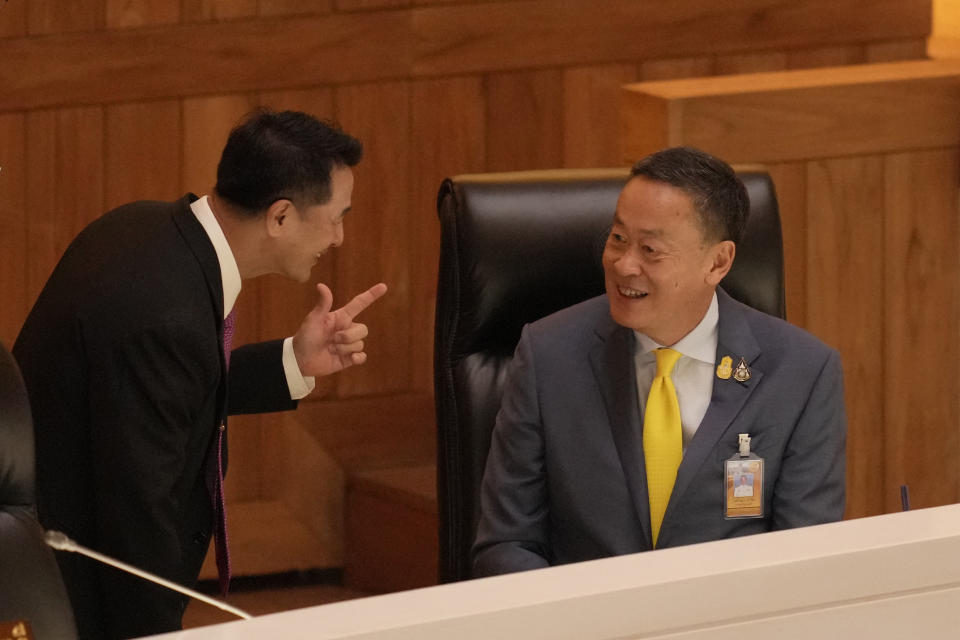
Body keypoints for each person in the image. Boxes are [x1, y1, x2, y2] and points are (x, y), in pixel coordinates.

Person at [13, 109, 387, 638]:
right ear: (280, 217)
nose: (341, 237)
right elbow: (137, 519)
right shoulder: (166, 317)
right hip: (67, 595)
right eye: (337, 216)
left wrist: (293, 362)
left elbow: (159, 392)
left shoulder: (145, 229)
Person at [472, 147, 846, 577]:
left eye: (651, 249)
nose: (624, 264)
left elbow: (804, 561)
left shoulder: (802, 373)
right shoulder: (548, 355)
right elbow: (507, 543)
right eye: (617, 239)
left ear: (718, 262)